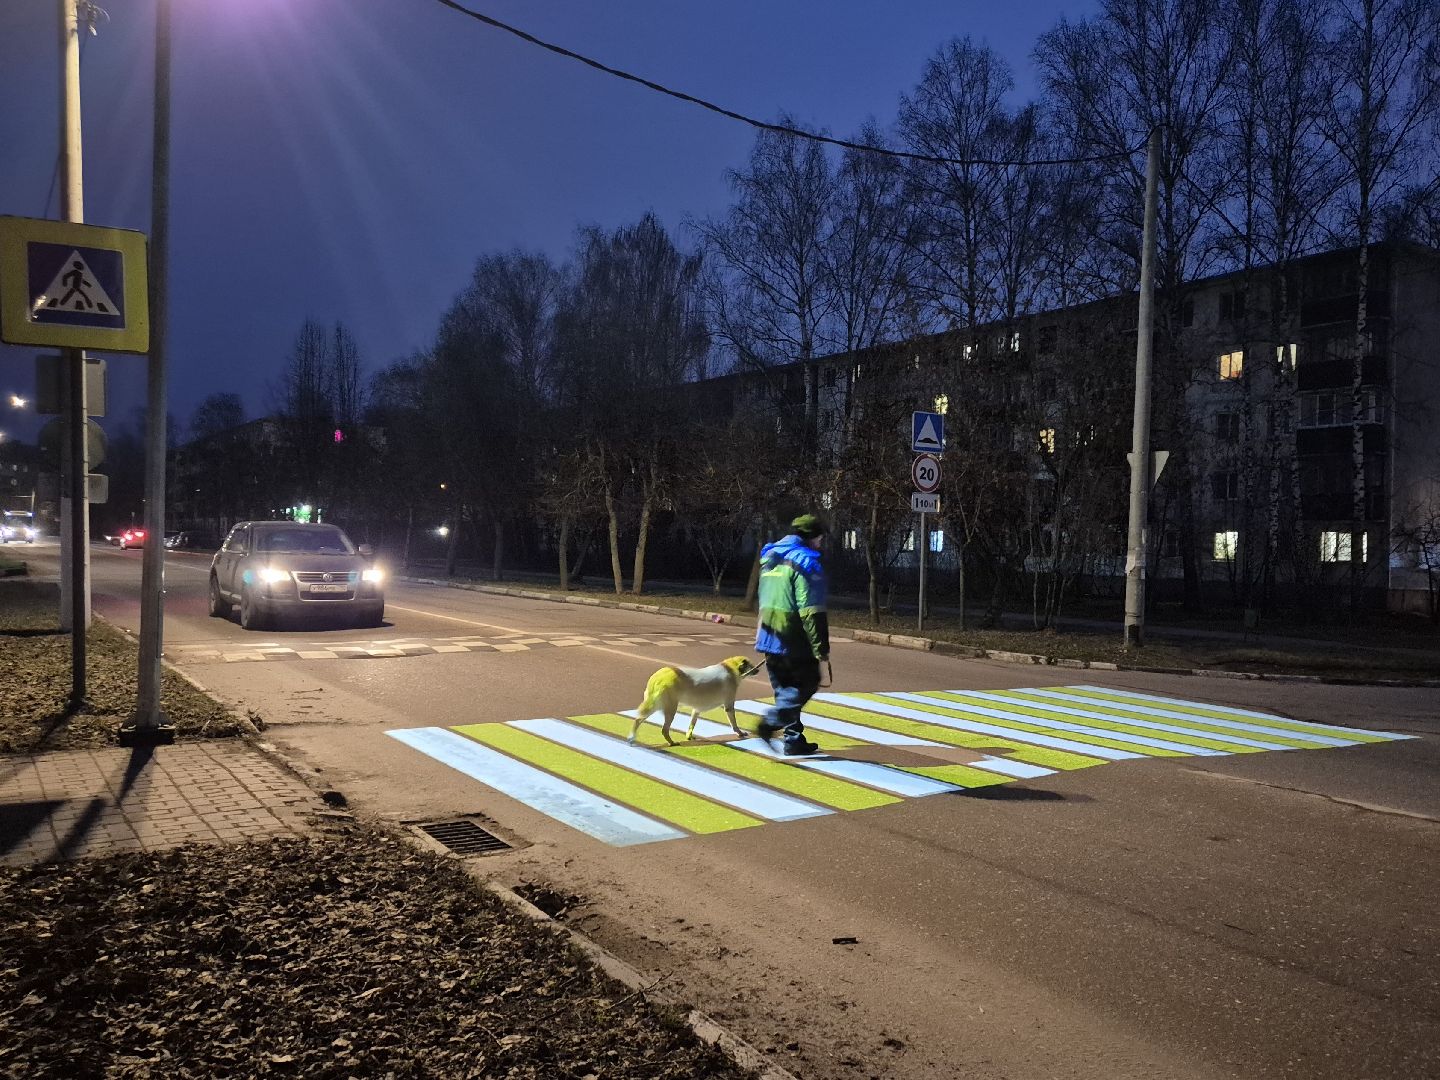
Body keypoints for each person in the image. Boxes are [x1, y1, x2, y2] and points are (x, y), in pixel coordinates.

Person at [752, 513, 830, 755]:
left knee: (785, 688)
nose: (820, 543)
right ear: (810, 537)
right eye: (819, 538)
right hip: (793, 639)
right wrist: (821, 648)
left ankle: (793, 740)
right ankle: (771, 722)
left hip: (768, 635)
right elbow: (811, 611)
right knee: (807, 684)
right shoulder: (806, 562)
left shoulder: (771, 558)